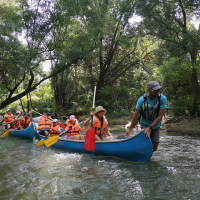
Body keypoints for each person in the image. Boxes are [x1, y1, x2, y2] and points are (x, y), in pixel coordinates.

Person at [126, 81, 167, 152]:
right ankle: (142, 157)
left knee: (154, 147)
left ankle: (147, 156)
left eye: (158, 90)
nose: (157, 92)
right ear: (149, 90)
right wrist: (130, 129)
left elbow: (160, 116)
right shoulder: (142, 99)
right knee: (146, 142)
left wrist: (150, 127)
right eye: (155, 91)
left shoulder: (162, 99)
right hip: (144, 122)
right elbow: (136, 115)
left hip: (156, 123)